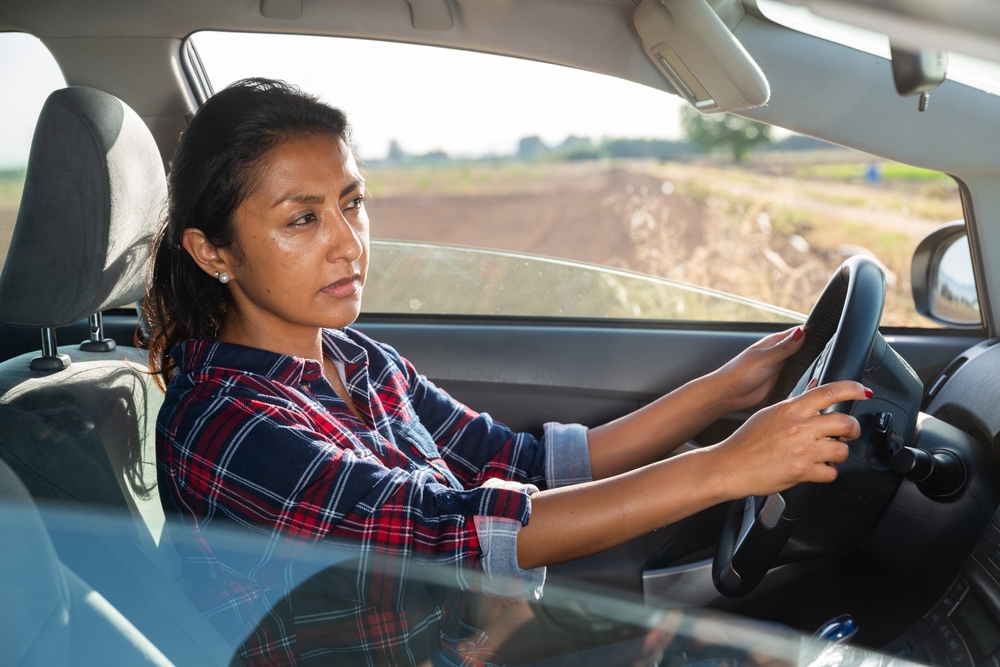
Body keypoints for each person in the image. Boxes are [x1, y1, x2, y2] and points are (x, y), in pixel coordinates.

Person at [144, 78, 868, 667]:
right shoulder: (223, 424)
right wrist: (724, 467)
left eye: (352, 203)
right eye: (302, 219)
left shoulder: (358, 361)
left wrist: (720, 391)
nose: (349, 244)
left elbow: (521, 463)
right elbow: (434, 531)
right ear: (213, 251)